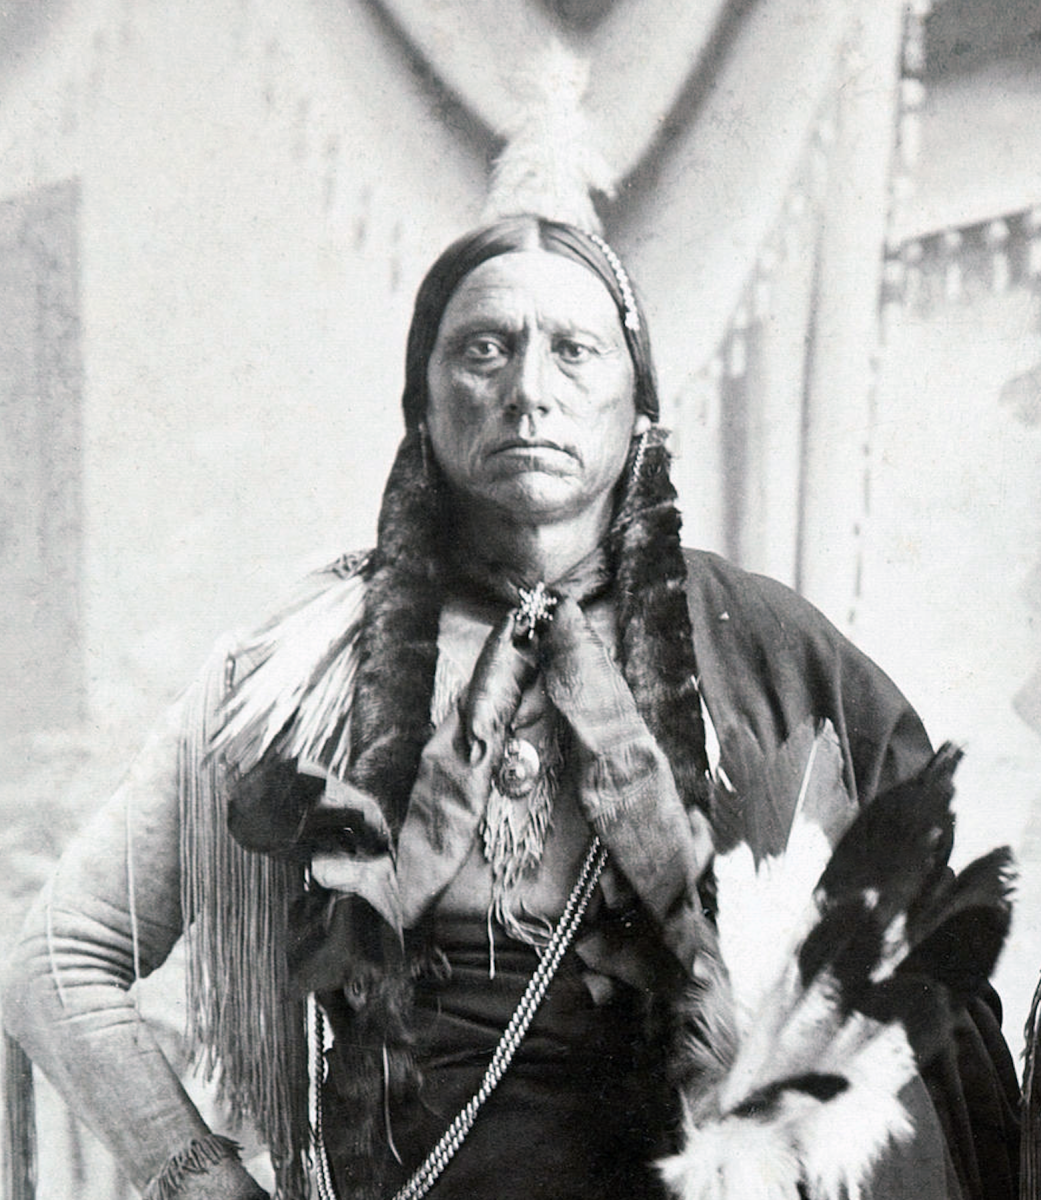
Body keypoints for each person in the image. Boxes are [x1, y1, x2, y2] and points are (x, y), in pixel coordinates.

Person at [1, 216, 1021, 1200]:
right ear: (424, 398)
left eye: (575, 351)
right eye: (485, 348)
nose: (529, 390)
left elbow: (941, 1008)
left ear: (640, 402)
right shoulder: (295, 675)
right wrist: (200, 1181)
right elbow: (57, 959)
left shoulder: (767, 653)